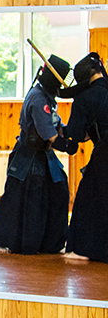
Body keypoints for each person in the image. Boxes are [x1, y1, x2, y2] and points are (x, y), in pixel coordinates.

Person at [0, 54, 71, 255]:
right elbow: (47, 131)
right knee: (22, 199)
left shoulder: (46, 96)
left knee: (58, 190)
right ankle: (0, 239)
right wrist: (65, 145)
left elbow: (56, 122)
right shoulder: (38, 98)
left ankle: (51, 243)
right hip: (28, 156)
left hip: (42, 155)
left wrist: (70, 131)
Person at [56, 52, 108, 262]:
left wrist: (60, 133)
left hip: (105, 152)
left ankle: (84, 249)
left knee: (89, 199)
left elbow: (77, 135)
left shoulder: (85, 97)